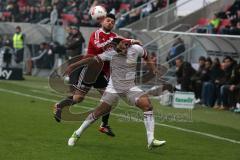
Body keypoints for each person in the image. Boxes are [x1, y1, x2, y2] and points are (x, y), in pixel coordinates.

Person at [65, 37, 166, 149]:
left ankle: (151, 140)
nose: (121, 50)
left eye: (122, 46)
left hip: (130, 87)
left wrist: (153, 68)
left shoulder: (136, 48)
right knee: (98, 112)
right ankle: (77, 133)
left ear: (125, 44)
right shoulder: (110, 53)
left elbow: (146, 56)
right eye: (117, 48)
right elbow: (91, 59)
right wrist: (73, 65)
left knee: (148, 106)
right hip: (114, 88)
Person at [54, 13, 118, 137]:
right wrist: (112, 43)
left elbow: (118, 49)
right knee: (78, 98)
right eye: (108, 21)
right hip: (90, 70)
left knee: (109, 99)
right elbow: (99, 46)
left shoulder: (115, 36)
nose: (110, 23)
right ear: (102, 22)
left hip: (102, 73)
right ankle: (59, 106)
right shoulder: (96, 34)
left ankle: (104, 125)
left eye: (112, 22)